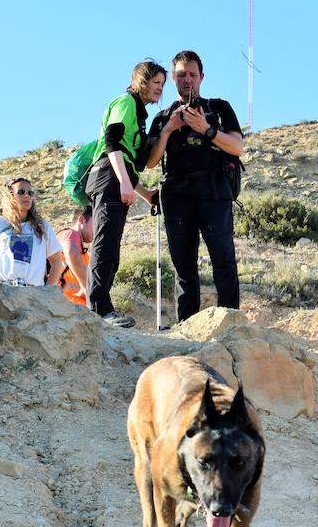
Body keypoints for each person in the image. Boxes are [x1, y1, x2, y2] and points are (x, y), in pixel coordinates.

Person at [145, 50, 244, 322]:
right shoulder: (162, 116)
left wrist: (206, 129)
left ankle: (230, 321)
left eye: (192, 74)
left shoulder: (219, 108)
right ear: (173, 79)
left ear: (201, 77)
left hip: (215, 191)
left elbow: (237, 147)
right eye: (180, 75)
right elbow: (151, 162)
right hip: (177, 196)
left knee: (223, 259)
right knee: (183, 265)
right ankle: (187, 324)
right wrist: (168, 130)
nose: (187, 80)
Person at [87, 59, 166, 327]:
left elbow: (130, 163)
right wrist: (122, 182)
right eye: (156, 83)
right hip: (109, 177)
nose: (160, 89)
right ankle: (99, 308)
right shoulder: (126, 103)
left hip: (116, 178)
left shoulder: (139, 111)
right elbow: (112, 141)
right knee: (105, 242)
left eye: (162, 85)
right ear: (141, 82)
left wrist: (145, 194)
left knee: (112, 245)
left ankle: (103, 307)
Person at [0, 176, 65, 287]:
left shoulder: (42, 226)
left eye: (30, 193)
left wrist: (47, 290)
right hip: (4, 291)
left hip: (34, 293)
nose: (27, 195)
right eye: (21, 192)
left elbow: (57, 262)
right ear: (10, 196)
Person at [58, 205, 93, 308]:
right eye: (96, 223)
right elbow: (70, 251)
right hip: (67, 304)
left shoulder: (79, 245)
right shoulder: (71, 234)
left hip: (68, 304)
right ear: (81, 220)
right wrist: (86, 287)